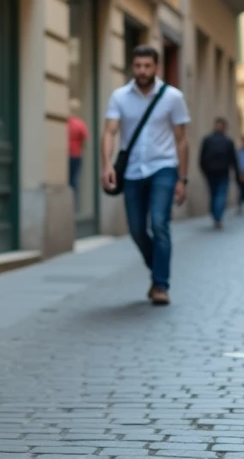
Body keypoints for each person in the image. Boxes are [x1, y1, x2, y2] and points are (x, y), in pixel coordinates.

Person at [101, 46, 191, 305]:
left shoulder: (172, 97)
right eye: (138, 66)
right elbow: (110, 131)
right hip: (131, 172)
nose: (142, 71)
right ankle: (158, 269)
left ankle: (161, 284)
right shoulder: (119, 96)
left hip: (163, 167)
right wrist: (107, 164)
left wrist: (182, 179)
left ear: (157, 68)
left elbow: (182, 140)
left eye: (147, 66)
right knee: (137, 229)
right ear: (132, 66)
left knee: (160, 224)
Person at [198, 117, 237, 229]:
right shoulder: (227, 141)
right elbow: (233, 160)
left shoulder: (208, 140)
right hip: (221, 172)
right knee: (220, 195)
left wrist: (204, 171)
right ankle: (217, 216)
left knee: (214, 194)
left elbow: (201, 159)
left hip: (211, 172)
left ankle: (216, 214)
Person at [68, 102, 89, 198]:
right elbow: (85, 139)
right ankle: (74, 203)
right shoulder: (80, 124)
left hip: (67, 154)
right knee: (74, 181)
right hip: (76, 154)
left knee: (68, 180)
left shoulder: (67, 122)